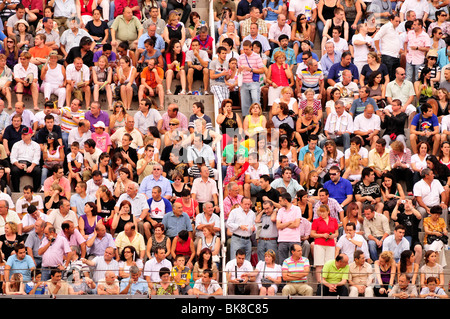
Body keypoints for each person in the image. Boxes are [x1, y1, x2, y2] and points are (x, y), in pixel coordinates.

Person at [9, 126, 41, 192]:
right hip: (19, 163)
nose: (23, 136)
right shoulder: (16, 144)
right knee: (14, 171)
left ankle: (35, 191)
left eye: (25, 134)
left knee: (38, 171)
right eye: (22, 134)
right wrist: (18, 164)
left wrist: (31, 167)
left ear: (30, 135)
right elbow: (12, 158)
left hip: (30, 164)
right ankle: (16, 191)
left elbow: (36, 158)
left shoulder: (36, 145)